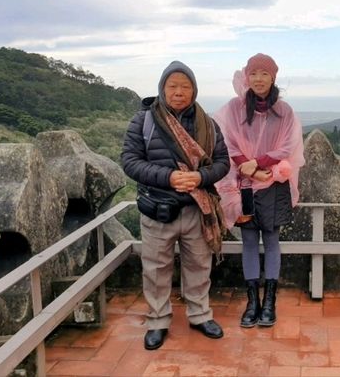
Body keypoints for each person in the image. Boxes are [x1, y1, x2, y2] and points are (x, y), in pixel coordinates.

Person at [121, 60, 229, 351]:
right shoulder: (144, 120)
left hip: (197, 208)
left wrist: (199, 176)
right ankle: (157, 321)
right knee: (156, 269)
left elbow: (223, 163)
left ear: (194, 90)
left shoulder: (208, 124)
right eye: (172, 86)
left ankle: (200, 315)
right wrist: (169, 178)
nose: (179, 92)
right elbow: (130, 162)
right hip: (158, 209)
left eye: (185, 86)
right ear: (162, 88)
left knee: (199, 265)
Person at [214, 53, 304, 328]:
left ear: (273, 77)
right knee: (250, 242)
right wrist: (247, 167)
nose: (258, 79)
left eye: (264, 73)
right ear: (246, 76)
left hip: (274, 183)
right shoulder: (234, 108)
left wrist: (260, 163)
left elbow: (287, 146)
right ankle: (252, 302)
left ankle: (270, 302)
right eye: (254, 73)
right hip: (243, 184)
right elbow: (225, 140)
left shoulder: (284, 111)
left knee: (272, 240)